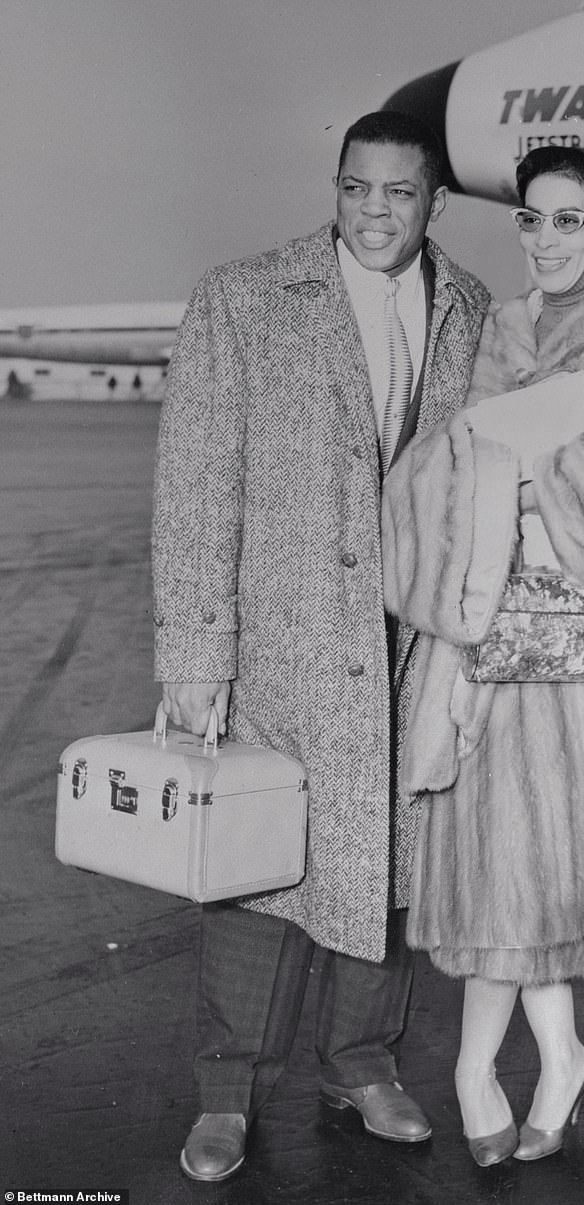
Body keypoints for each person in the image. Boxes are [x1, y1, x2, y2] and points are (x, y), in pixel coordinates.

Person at [151, 110, 490, 1183]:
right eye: (355, 189)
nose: (373, 212)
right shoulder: (244, 295)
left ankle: (361, 1065)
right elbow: (195, 486)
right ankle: (226, 1093)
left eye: (397, 192)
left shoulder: (471, 308)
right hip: (283, 644)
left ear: (434, 198)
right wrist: (197, 647)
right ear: (334, 188)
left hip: (408, 641)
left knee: (389, 869)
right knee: (257, 874)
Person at [380, 145, 584, 1166]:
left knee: (533, 881)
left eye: (569, 219)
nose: (546, 239)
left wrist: (520, 478)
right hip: (484, 650)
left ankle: (490, 1068)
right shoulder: (501, 331)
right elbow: (431, 474)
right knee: (498, 875)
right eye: (530, 218)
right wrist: (526, 458)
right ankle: (547, 1055)